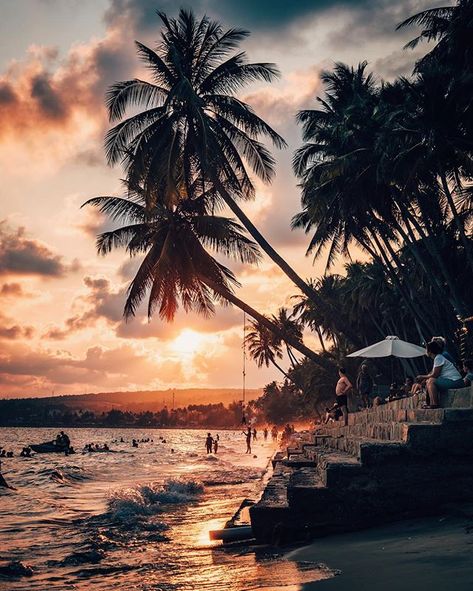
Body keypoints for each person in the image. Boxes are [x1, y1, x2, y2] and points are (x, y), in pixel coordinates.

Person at [416, 341, 464, 409]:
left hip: (456, 382)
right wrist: (425, 378)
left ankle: (434, 404)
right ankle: (431, 403)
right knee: (429, 380)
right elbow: (433, 374)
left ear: (430, 351)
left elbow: (435, 375)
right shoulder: (438, 358)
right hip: (454, 381)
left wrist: (422, 376)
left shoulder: (438, 358)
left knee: (431, 380)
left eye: (426, 349)